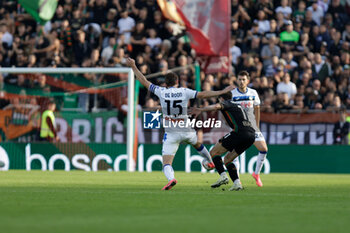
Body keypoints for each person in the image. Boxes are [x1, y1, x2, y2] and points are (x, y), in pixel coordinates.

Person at [126, 57, 234, 190]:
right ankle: (211, 161)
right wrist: (221, 92)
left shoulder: (161, 91)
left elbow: (143, 80)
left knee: (166, 162)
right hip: (186, 129)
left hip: (171, 133)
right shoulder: (184, 91)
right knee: (197, 145)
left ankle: (171, 179)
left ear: (166, 83)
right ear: (177, 82)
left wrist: (133, 66)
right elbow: (203, 94)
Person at [191, 92, 255, 191]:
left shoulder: (227, 103)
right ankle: (237, 183)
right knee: (228, 159)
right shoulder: (238, 105)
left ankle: (223, 176)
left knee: (213, 152)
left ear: (221, 99)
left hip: (240, 132)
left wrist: (201, 109)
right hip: (251, 135)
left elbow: (217, 106)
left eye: (219, 99)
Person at [230, 71, 268, 187]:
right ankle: (237, 181)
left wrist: (256, 126)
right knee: (235, 154)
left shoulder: (253, 93)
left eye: (243, 79)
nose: (241, 82)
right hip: (239, 127)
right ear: (236, 80)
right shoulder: (232, 94)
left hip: (252, 127)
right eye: (239, 79)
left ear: (248, 81)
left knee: (264, 149)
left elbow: (257, 109)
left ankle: (256, 174)